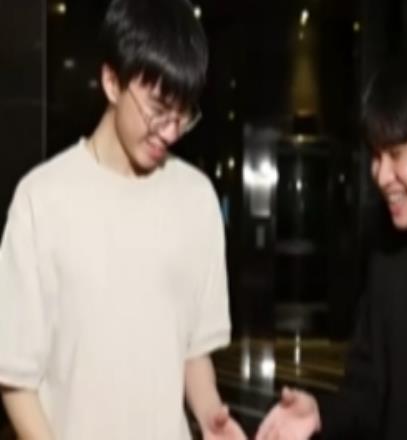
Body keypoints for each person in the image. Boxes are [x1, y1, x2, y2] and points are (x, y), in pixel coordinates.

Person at [0, 0, 246, 439]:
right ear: (112, 81)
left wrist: (211, 416)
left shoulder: (196, 199)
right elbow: (15, 377)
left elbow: (193, 350)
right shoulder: (42, 200)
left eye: (183, 114)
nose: (170, 131)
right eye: (158, 108)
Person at [256, 45, 407, 440]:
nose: (381, 175)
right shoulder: (387, 257)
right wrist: (320, 414)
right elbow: (366, 395)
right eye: (375, 155)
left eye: (396, 154)